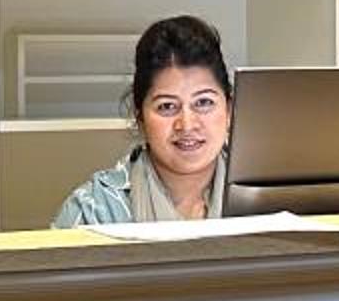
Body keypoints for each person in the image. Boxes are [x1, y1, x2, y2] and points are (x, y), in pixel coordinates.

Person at [52, 16, 235, 226]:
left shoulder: (262, 199)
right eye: (167, 106)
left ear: (229, 110)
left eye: (203, 102)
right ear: (140, 119)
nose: (187, 125)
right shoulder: (92, 212)